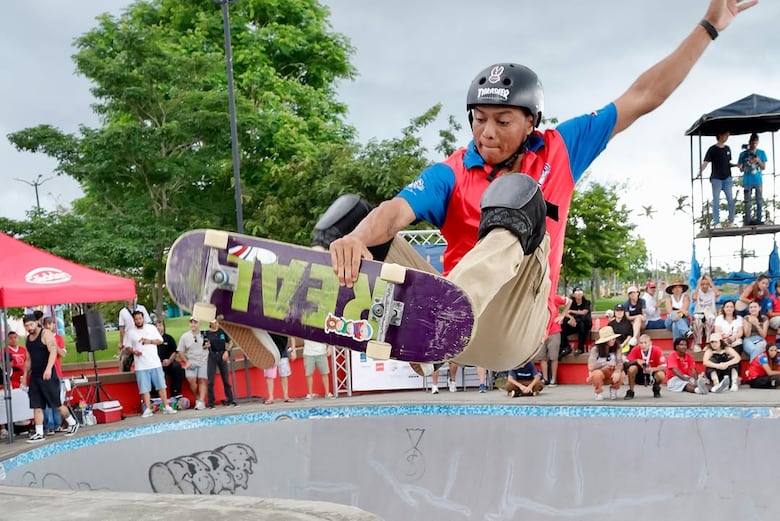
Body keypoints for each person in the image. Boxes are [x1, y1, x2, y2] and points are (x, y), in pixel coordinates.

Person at [316, 0, 759, 371]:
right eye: (479, 120)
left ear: (531, 123)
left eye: (502, 121)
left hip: (517, 330)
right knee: (350, 221)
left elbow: (644, 96)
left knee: (520, 196)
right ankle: (266, 317)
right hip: (455, 329)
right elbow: (395, 213)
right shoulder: (452, 171)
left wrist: (709, 27)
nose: (486, 133)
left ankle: (439, 317)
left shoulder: (561, 148)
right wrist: (356, 239)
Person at [19, 314, 80, 443]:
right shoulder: (28, 339)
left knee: (56, 404)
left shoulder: (45, 334)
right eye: (26, 326)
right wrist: (25, 376)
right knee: (36, 405)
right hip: (35, 376)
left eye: (31, 324)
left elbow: (53, 351)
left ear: (36, 322)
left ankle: (72, 422)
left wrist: (48, 368)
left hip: (48, 375)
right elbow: (28, 359)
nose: (29, 328)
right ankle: (39, 432)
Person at [122, 310, 178, 417]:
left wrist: (149, 341)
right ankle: (148, 408)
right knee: (144, 388)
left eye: (140, 318)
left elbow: (160, 340)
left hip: (154, 363)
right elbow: (127, 346)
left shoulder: (151, 328)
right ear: (134, 320)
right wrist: (134, 351)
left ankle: (166, 405)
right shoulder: (130, 332)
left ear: (143, 318)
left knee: (161, 385)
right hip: (141, 365)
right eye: (136, 319)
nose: (138, 321)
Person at [696, 130, 736, 227]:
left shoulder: (727, 148)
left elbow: (727, 163)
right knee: (716, 200)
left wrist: (736, 165)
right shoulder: (712, 149)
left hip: (727, 178)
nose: (727, 138)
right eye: (725, 135)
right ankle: (717, 221)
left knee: (730, 200)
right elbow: (706, 162)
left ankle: (731, 221)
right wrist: (700, 172)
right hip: (716, 178)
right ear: (720, 135)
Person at [203, 318, 237, 408]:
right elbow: (204, 345)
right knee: (210, 380)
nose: (216, 324)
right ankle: (211, 402)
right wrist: (206, 346)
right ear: (210, 323)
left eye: (217, 322)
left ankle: (230, 399)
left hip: (222, 354)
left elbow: (230, 342)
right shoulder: (207, 333)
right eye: (214, 323)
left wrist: (227, 351)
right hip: (212, 355)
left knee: (225, 379)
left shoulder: (222, 332)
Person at [177, 317, 208, 411]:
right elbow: (180, 351)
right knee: (191, 380)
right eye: (191, 322)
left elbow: (212, 345)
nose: (193, 324)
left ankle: (201, 401)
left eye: (195, 322)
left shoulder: (205, 334)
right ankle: (197, 398)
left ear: (199, 324)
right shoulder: (185, 336)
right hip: (191, 361)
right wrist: (186, 362)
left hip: (204, 360)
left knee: (202, 379)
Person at [42, 317, 67, 435]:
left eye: (50, 324)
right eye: (46, 324)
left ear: (53, 325)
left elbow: (63, 354)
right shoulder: (40, 338)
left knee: (56, 399)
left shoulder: (58, 338)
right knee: (46, 400)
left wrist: (54, 344)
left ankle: (57, 424)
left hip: (57, 372)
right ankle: (49, 425)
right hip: (44, 372)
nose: (48, 326)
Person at [586, 326, 624, 401]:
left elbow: (620, 362)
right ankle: (598, 392)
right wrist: (605, 363)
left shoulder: (617, 347)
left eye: (614, 338)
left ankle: (614, 389)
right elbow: (591, 366)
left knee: (622, 374)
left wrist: (618, 371)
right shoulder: (596, 349)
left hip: (611, 372)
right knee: (597, 374)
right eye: (611, 339)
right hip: (600, 373)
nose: (613, 340)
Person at [537, 294, 568, 385]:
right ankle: (545, 378)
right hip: (541, 331)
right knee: (542, 356)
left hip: (554, 330)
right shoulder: (537, 297)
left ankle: (553, 379)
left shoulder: (554, 297)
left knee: (553, 356)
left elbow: (568, 301)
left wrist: (562, 315)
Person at [624, 334, 667, 399]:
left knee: (661, 374)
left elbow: (664, 366)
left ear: (650, 343)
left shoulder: (656, 350)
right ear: (638, 343)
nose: (643, 345)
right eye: (641, 343)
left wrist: (652, 369)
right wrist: (636, 361)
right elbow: (626, 363)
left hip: (652, 372)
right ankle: (631, 391)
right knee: (632, 368)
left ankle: (656, 388)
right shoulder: (635, 349)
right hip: (639, 373)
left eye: (645, 343)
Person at [738, 132, 768, 225]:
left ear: (757, 142)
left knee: (759, 201)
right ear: (749, 142)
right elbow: (741, 169)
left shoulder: (761, 153)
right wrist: (748, 162)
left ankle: (759, 220)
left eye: (755, 143)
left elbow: (763, 167)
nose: (754, 145)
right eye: (752, 143)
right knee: (748, 202)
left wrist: (758, 160)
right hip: (747, 180)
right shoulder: (743, 154)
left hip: (758, 180)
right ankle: (748, 220)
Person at [117, 299, 152, 372]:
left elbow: (148, 324)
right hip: (128, 341)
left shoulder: (142, 308)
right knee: (125, 362)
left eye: (134, 297)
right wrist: (121, 342)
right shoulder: (123, 312)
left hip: (141, 340)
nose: (132, 300)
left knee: (144, 361)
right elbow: (121, 328)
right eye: (129, 298)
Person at [155, 319, 184, 397]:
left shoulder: (169, 338)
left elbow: (174, 352)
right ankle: (156, 395)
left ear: (163, 327)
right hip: (157, 364)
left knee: (177, 367)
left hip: (169, 362)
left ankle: (175, 392)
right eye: (156, 326)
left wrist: (169, 360)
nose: (158, 327)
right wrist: (159, 363)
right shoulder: (152, 340)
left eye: (160, 325)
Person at [264, 333, 295, 404]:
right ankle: (270, 397)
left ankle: (286, 396)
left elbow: (292, 335)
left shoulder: (284, 324)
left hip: (282, 351)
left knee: (284, 375)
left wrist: (293, 350)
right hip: (270, 352)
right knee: (270, 376)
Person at [691, 274, 719, 351]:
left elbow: (717, 294)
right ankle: (697, 344)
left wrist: (711, 282)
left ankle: (708, 344)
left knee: (710, 321)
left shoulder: (712, 291)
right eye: (703, 284)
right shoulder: (697, 291)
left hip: (710, 314)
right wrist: (698, 284)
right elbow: (694, 298)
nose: (705, 286)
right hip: (699, 315)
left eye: (707, 284)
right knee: (697, 322)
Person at [560, 287, 592, 355]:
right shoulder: (571, 303)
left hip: (585, 323)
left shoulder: (586, 302)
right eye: (576, 293)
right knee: (562, 326)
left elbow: (584, 312)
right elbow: (564, 313)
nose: (579, 294)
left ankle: (580, 348)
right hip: (574, 323)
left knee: (582, 325)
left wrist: (571, 311)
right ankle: (566, 347)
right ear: (573, 295)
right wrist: (571, 317)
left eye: (580, 292)